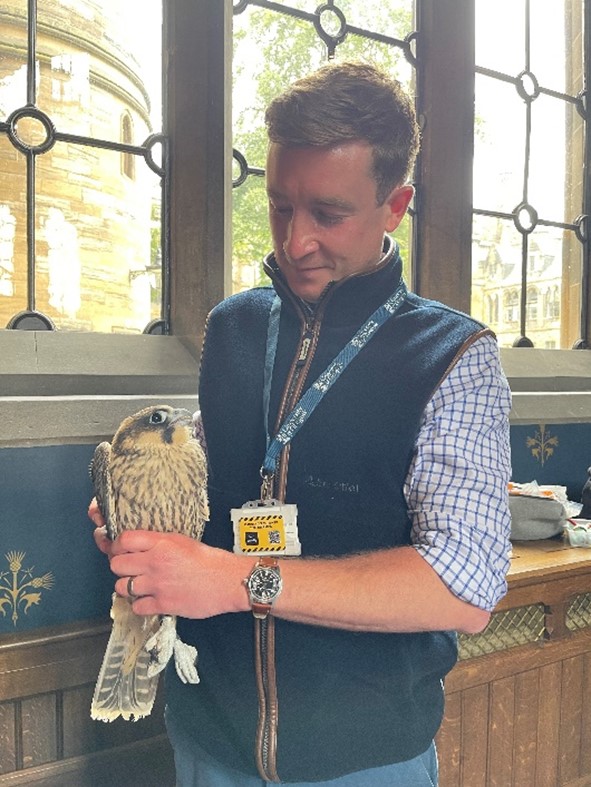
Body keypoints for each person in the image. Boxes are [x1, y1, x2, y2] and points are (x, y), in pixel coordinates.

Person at [89, 60, 512, 786]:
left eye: (327, 212)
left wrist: (234, 579)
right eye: (281, 205)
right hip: (207, 738)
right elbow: (214, 482)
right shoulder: (232, 327)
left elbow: (463, 587)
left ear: (394, 203)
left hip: (365, 758)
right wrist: (143, 527)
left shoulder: (454, 357)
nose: (294, 240)